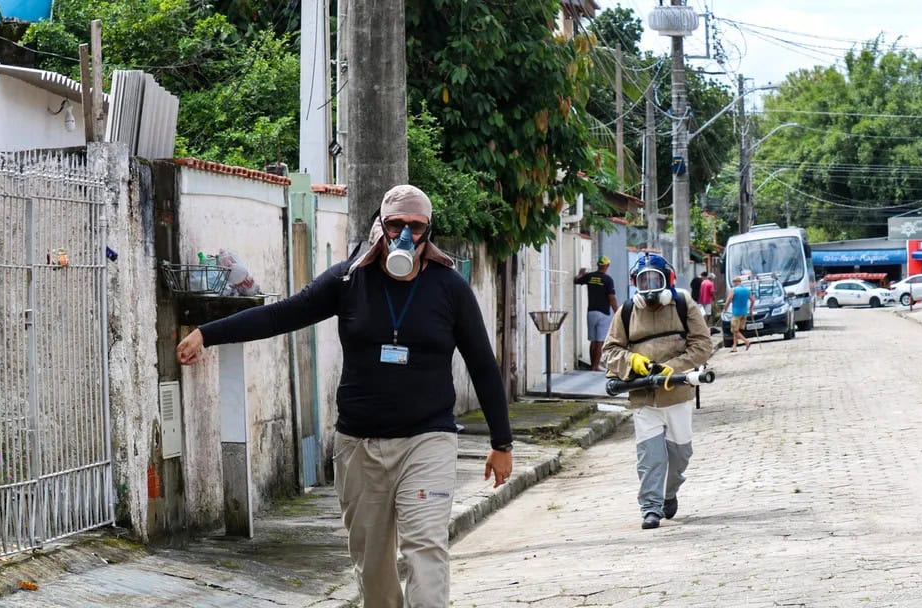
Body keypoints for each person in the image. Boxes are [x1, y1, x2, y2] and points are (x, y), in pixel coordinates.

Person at [175, 185, 513, 608]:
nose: (405, 235)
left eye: (416, 227)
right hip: (359, 446)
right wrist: (208, 333)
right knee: (373, 569)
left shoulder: (449, 287)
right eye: (396, 224)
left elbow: (482, 363)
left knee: (426, 548)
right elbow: (283, 314)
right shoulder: (349, 280)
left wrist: (502, 442)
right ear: (381, 226)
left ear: (429, 231)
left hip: (428, 441)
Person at [602, 253, 712, 530]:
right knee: (650, 456)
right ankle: (650, 507)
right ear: (635, 284)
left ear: (669, 280)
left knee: (680, 455)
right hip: (643, 396)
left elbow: (702, 345)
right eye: (644, 281)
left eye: (655, 280)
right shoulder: (627, 311)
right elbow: (610, 350)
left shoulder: (683, 304)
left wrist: (671, 369)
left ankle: (668, 494)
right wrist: (631, 361)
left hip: (677, 393)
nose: (649, 287)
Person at [574, 256, 620, 371]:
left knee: (593, 341)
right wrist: (617, 312)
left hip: (591, 312)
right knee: (600, 341)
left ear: (598, 265)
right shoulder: (608, 279)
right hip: (603, 313)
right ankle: (595, 366)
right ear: (607, 266)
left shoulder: (589, 276)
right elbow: (612, 298)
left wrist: (580, 274)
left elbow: (576, 280)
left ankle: (592, 365)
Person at [723, 275, 756, 352]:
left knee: (734, 330)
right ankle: (734, 347)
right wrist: (751, 309)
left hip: (736, 313)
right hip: (744, 312)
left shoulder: (733, 290)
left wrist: (725, 309)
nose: (733, 284)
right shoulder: (746, 290)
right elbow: (753, 300)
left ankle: (746, 341)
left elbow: (728, 300)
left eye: (733, 282)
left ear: (735, 282)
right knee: (737, 330)